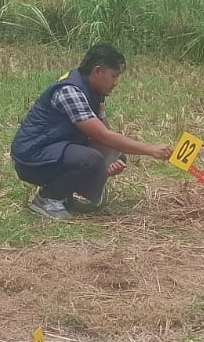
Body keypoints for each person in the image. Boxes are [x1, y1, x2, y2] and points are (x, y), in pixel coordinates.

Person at [10, 44, 174, 220]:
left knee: (115, 155)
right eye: (114, 76)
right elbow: (104, 136)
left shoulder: (94, 91)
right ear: (97, 71)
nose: (115, 82)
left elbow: (106, 136)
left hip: (54, 148)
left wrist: (107, 166)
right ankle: (47, 199)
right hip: (32, 156)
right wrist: (152, 150)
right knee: (91, 160)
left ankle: (63, 196)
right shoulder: (70, 91)